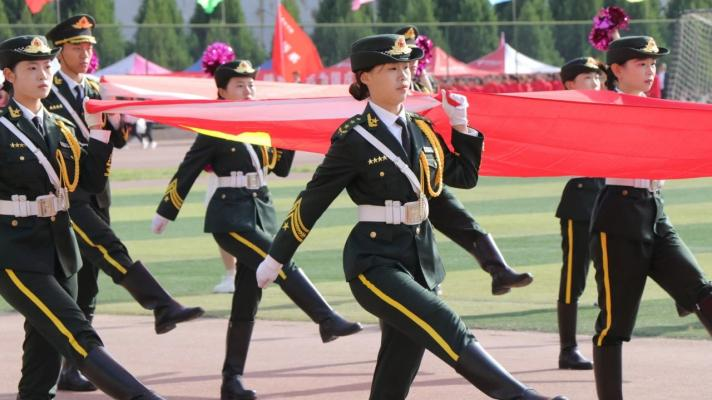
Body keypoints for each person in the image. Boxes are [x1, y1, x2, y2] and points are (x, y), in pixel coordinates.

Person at [256, 34, 567, 400]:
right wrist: (276, 258)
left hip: (421, 262)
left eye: (407, 67)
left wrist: (462, 126)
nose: (404, 76)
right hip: (374, 263)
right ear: (365, 77)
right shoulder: (353, 138)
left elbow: (463, 177)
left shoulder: (422, 129)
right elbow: (312, 201)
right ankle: (521, 396)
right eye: (392, 68)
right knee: (444, 322)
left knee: (397, 370)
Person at [151, 59, 363, 400]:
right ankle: (325, 318)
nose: (248, 90)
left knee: (246, 302)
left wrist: (288, 131)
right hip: (229, 215)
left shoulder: (260, 122)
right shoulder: (214, 127)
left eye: (251, 84)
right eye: (239, 85)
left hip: (259, 211)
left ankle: (231, 381)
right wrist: (166, 211)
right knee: (279, 260)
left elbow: (280, 168)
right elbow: (187, 169)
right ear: (222, 92)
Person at [43, 14, 205, 391]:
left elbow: (114, 140)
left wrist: (122, 126)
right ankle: (162, 305)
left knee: (87, 283)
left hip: (97, 191)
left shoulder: (97, 88)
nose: (85, 54)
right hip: (64, 194)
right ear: (60, 51)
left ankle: (69, 368)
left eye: (89, 47)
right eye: (77, 47)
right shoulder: (46, 89)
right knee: (108, 247)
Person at [0, 34, 165, 400]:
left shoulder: (60, 126)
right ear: (9, 75)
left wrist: (102, 132)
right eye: (32, 68)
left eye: (47, 66)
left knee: (44, 355)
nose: (43, 75)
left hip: (61, 250)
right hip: (14, 252)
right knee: (76, 333)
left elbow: (87, 184)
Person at [591, 36, 712, 399]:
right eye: (641, 64)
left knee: (702, 293)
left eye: (653, 64)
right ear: (617, 70)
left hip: (656, 212)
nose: (650, 70)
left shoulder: (654, 108)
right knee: (613, 325)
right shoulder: (603, 108)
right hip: (618, 217)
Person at [397, 25, 533, 296]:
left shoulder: (425, 87)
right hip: (399, 181)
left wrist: (459, 121)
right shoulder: (390, 92)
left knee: (463, 221)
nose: (412, 64)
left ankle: (499, 271)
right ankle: (428, 287)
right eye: (406, 58)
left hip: (429, 173)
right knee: (412, 243)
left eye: (415, 58)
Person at [554, 57, 605, 371]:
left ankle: (606, 341)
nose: (595, 83)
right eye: (588, 78)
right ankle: (568, 348)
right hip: (580, 202)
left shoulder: (606, 108)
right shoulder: (566, 112)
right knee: (574, 278)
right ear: (570, 84)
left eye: (597, 77)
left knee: (610, 277)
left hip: (609, 200)